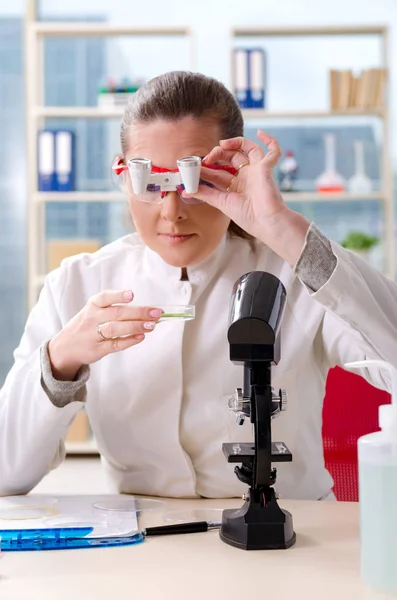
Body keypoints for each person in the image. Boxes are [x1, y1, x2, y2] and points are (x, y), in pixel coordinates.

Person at [1, 71, 396, 501]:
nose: (171, 212)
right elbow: (7, 473)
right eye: (151, 182)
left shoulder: (294, 273)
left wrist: (281, 226)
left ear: (233, 175)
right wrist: (60, 361)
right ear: (125, 177)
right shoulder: (76, 285)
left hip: (292, 538)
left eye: (193, 182)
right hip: (146, 542)